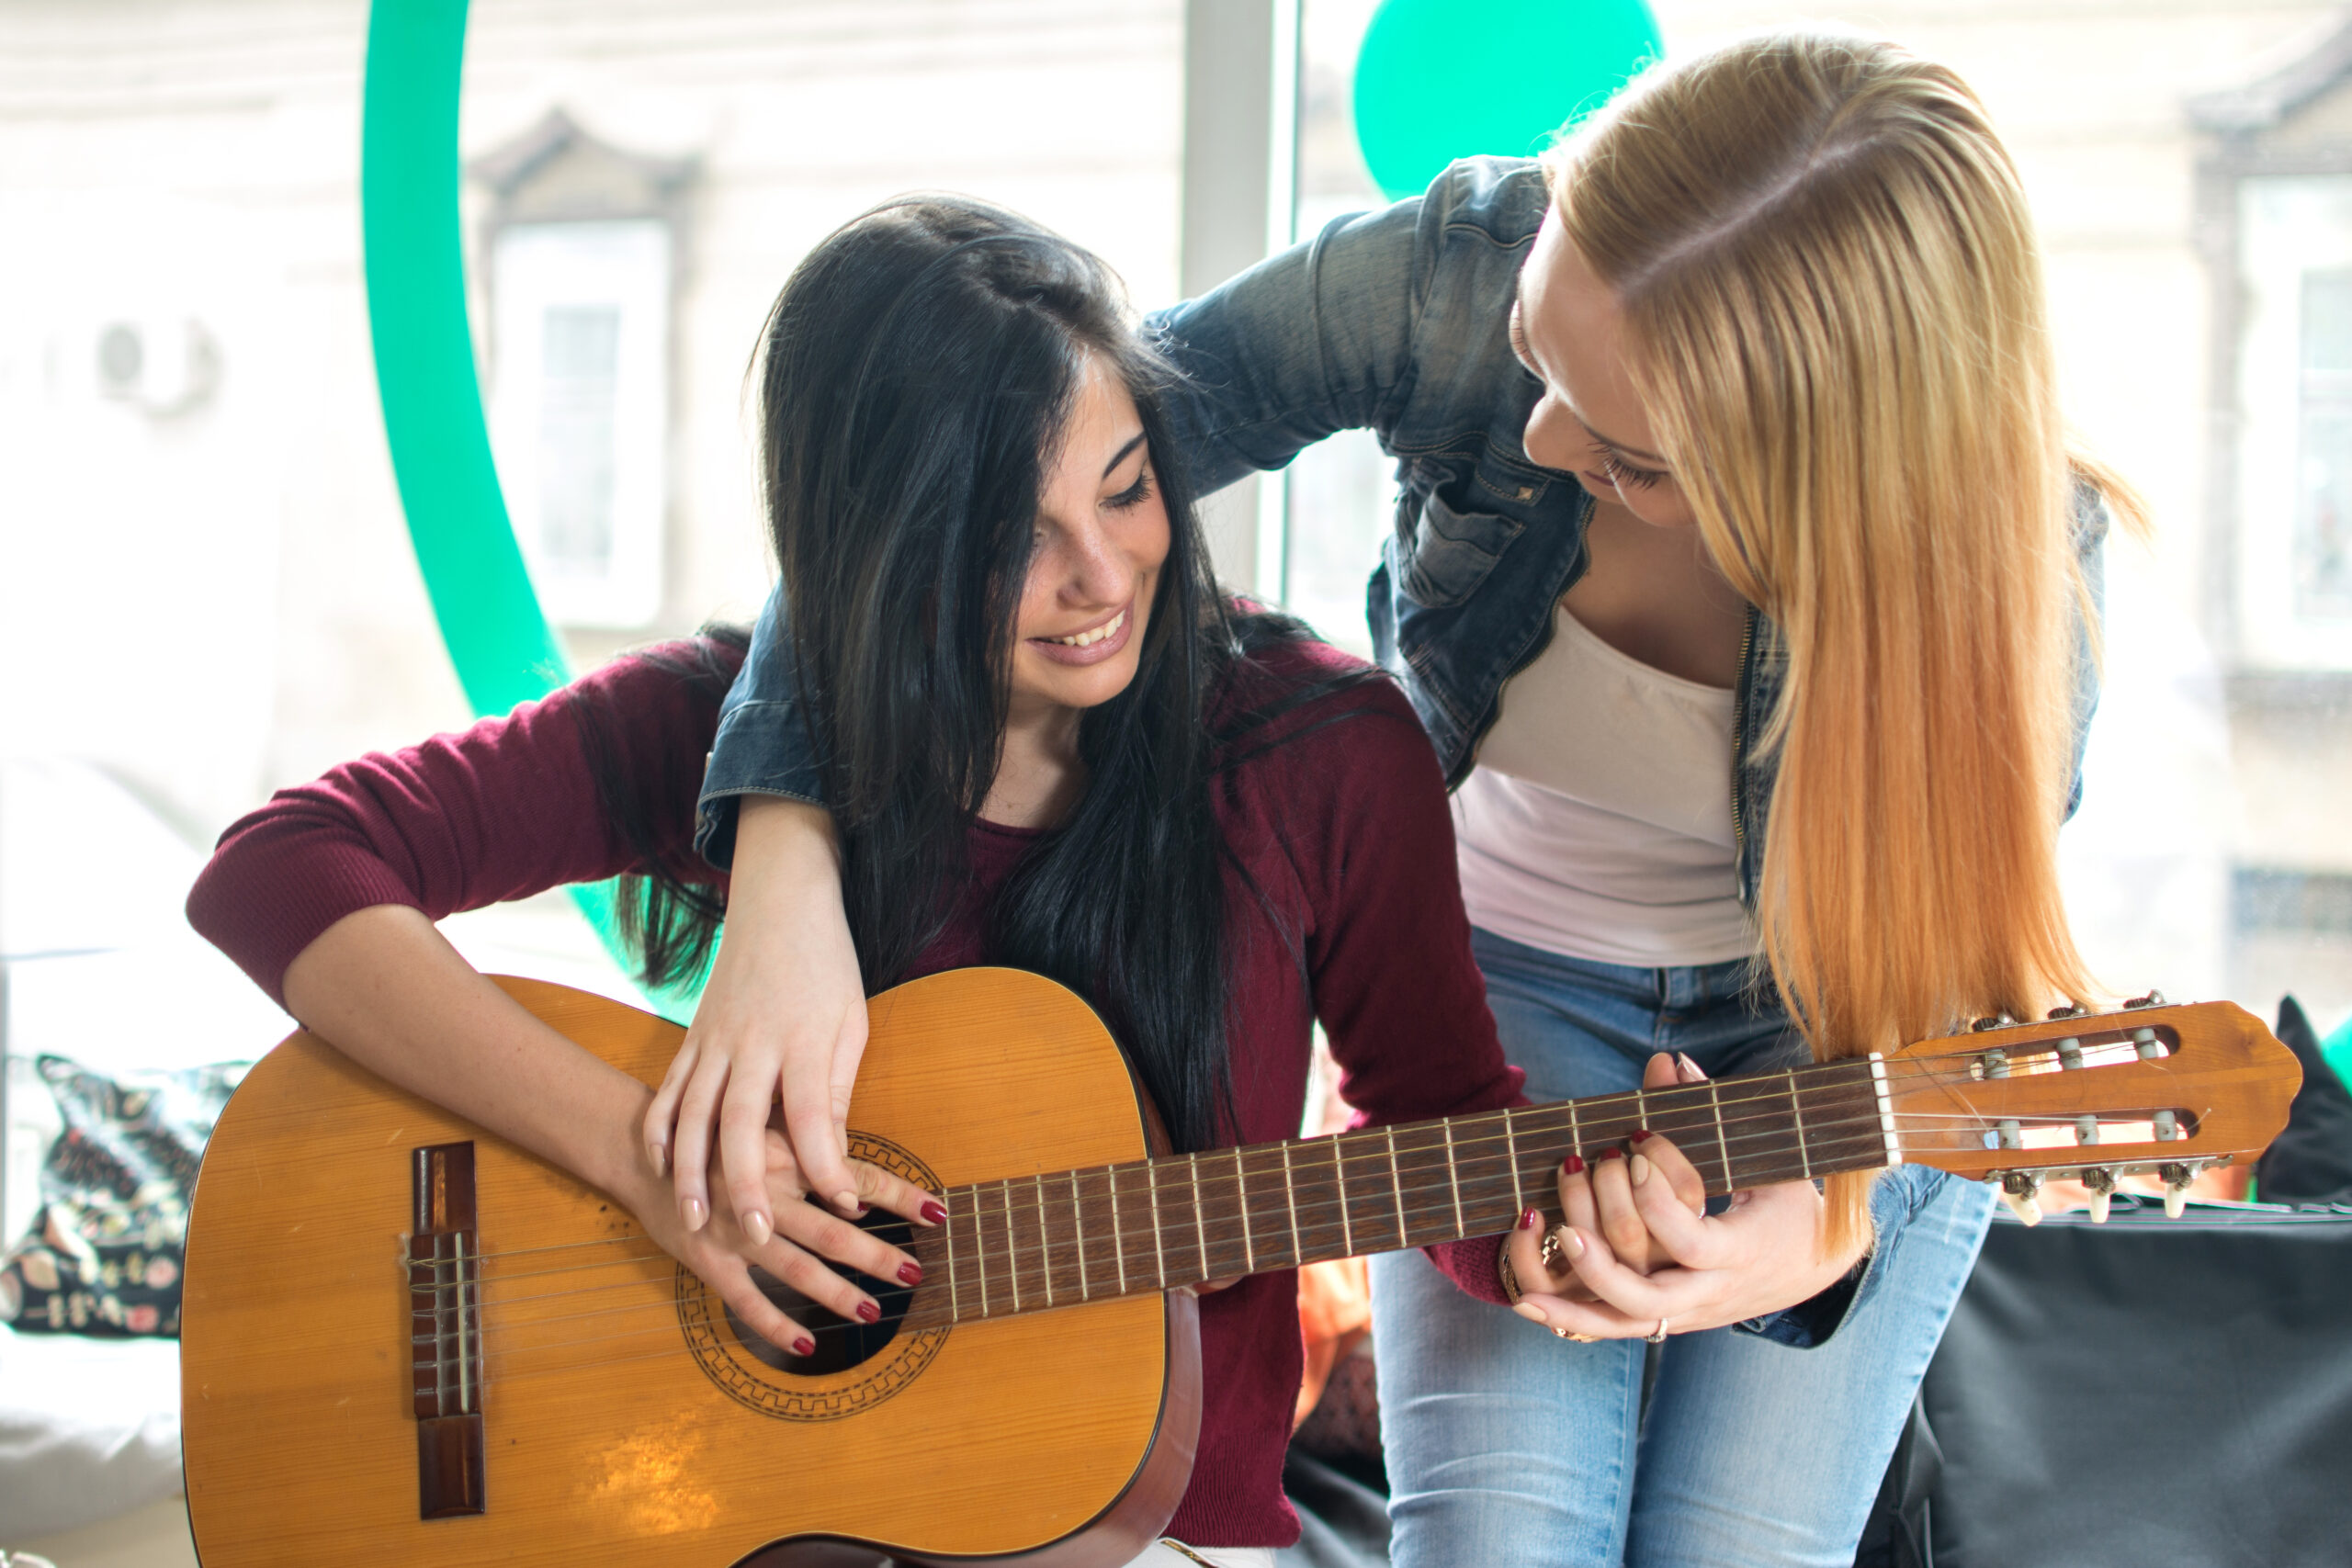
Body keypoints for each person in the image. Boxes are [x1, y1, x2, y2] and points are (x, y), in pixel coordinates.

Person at [668, 32, 2143, 1568]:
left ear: (1815, 478)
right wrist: (783, 854)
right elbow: (956, 460)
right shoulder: (1446, 274)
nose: (1545, 439)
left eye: (1628, 458)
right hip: (1501, 982)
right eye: (1537, 349)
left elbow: (1947, 1009)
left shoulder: (2012, 582)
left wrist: (1807, 1235)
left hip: (1841, 1043)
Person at [186, 196, 1532, 1568]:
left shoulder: (1325, 750)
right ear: (883, 550)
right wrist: (644, 1165)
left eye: (1129, 489)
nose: (1101, 573)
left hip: (1151, 1534)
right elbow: (278, 868)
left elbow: (1445, 1120)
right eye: (1015, 537)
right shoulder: (719, 720)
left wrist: (1558, 1241)